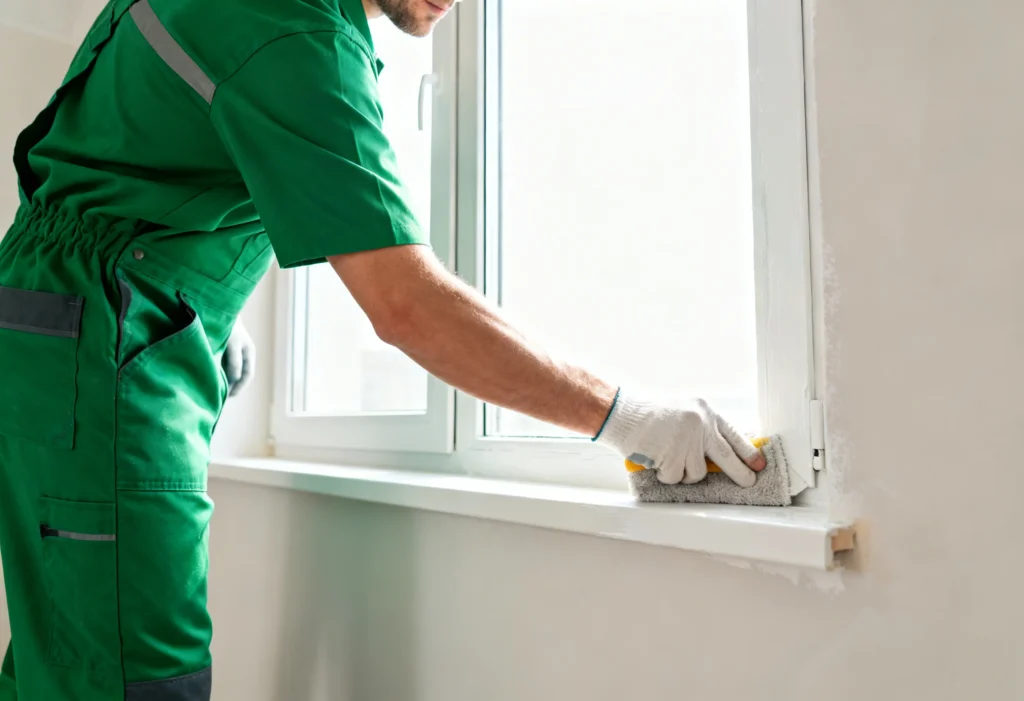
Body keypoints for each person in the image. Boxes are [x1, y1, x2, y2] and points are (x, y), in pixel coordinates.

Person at [0, 0, 766, 699]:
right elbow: (405, 304)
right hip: (100, 342)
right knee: (131, 677)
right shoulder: (296, 32)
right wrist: (631, 417)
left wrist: (198, 293)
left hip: (56, 318)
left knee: (66, 649)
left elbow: (121, 150)